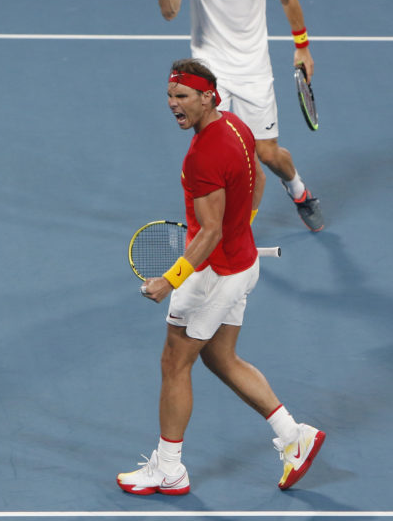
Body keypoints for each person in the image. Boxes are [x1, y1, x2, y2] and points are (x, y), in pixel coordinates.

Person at [117, 59, 325, 496]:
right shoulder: (235, 126)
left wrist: (170, 280)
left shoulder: (202, 157)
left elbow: (209, 232)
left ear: (207, 96)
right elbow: (257, 180)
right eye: (170, 96)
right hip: (242, 263)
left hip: (213, 275)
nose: (173, 104)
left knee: (174, 362)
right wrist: (241, 226)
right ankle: (294, 436)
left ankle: (169, 469)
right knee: (220, 358)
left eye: (182, 96)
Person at [159, 0, 324, 232]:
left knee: (267, 154)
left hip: (252, 71)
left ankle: (299, 191)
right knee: (214, 152)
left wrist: (303, 47)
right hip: (208, 72)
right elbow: (168, 11)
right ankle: (224, 227)